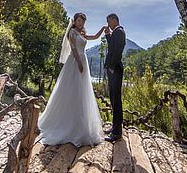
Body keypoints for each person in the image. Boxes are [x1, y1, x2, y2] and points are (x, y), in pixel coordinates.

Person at [37, 12, 106, 146]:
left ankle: (80, 124)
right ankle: (66, 124)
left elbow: (94, 37)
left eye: (83, 21)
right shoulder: (72, 33)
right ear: (75, 21)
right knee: (70, 89)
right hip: (75, 61)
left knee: (82, 92)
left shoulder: (82, 32)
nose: (81, 23)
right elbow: (74, 49)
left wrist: (103, 29)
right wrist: (79, 62)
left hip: (83, 60)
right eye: (79, 21)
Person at [103, 13, 125, 142]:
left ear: (114, 20)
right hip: (113, 68)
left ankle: (117, 132)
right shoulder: (116, 32)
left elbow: (117, 51)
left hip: (115, 68)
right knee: (113, 98)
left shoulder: (120, 31)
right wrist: (107, 35)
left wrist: (111, 67)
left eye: (109, 22)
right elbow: (112, 47)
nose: (108, 25)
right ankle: (115, 127)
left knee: (116, 99)